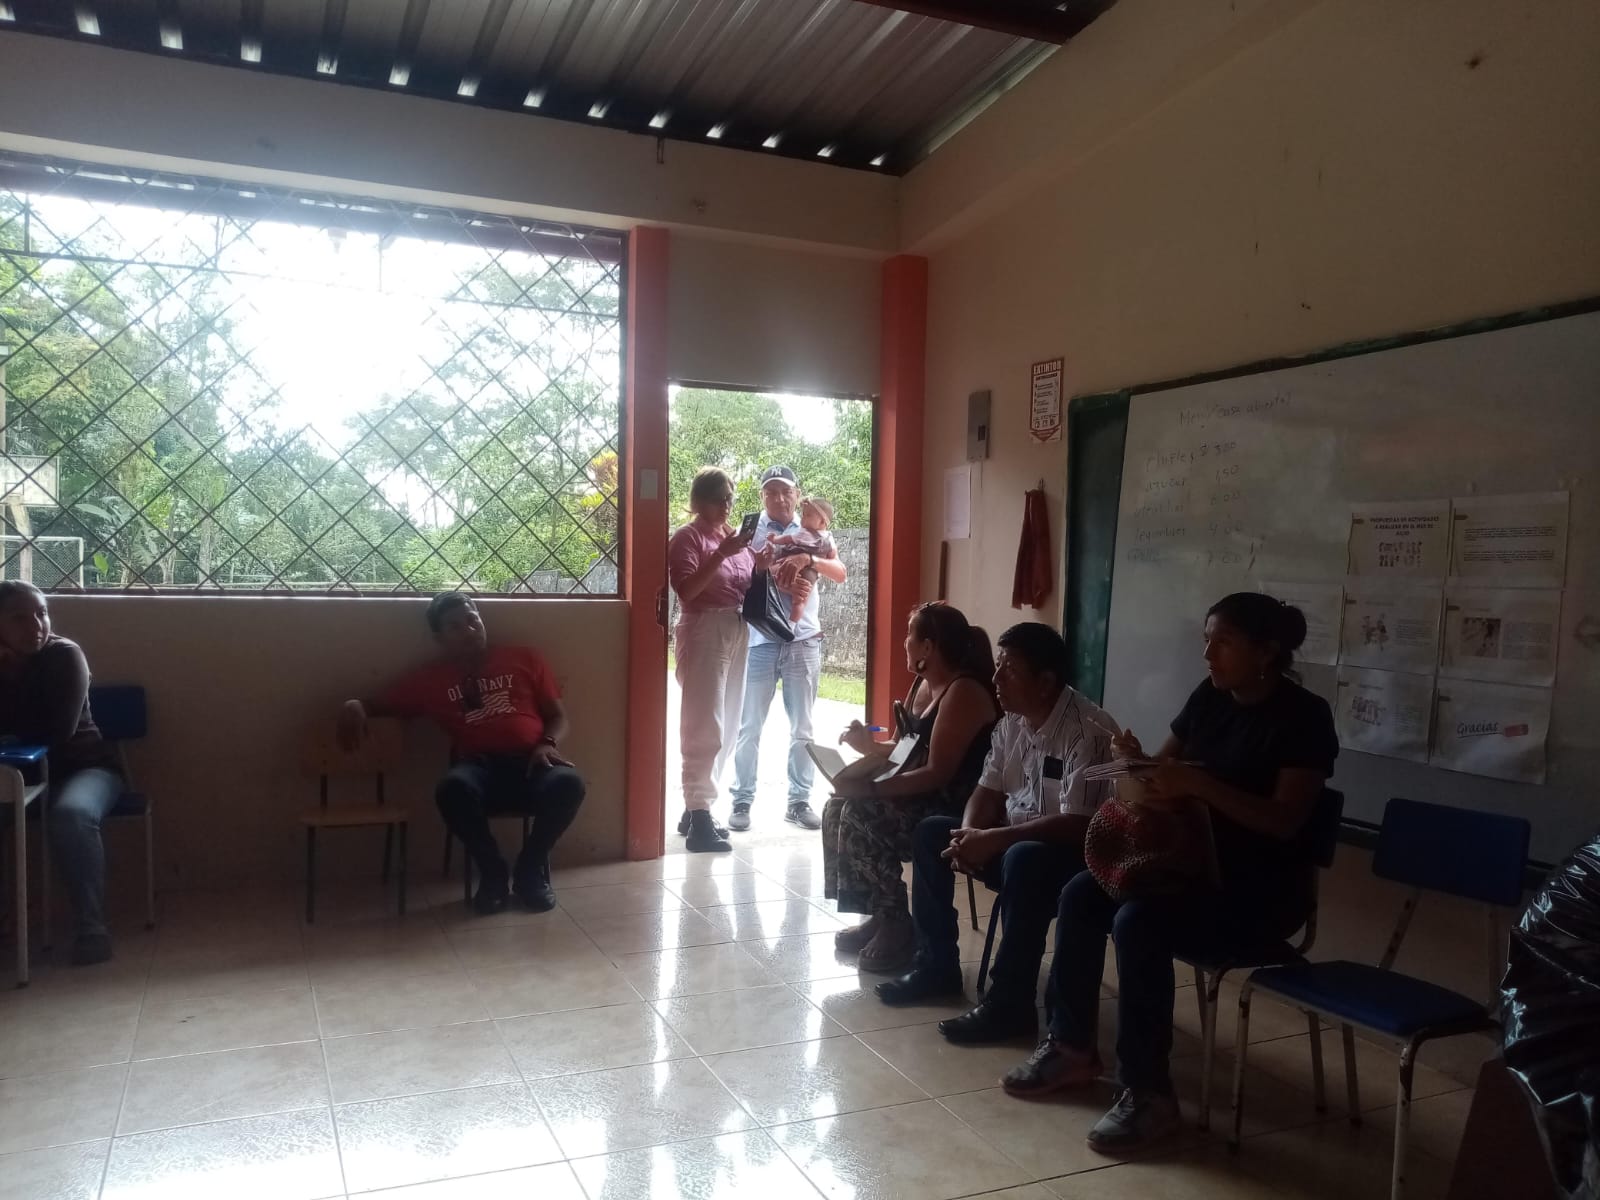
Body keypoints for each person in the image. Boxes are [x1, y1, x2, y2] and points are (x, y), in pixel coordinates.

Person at [1002, 592, 1338, 1155]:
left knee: (1139, 922)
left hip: (1258, 890)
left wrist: (1199, 785)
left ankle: (1149, 1093)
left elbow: (1283, 821)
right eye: (1206, 639)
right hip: (1184, 864)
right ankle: (1071, 1046)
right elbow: (1161, 772)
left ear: (1266, 652)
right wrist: (1137, 763)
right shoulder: (1209, 697)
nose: (1207, 654)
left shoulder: (1304, 717)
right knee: (1083, 891)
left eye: (1222, 642)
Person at [876, 621, 1117, 1044]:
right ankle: (936, 966)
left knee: (1024, 859)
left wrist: (996, 840)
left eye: (1010, 669)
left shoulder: (1089, 731)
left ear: (1045, 682)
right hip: (1013, 840)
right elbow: (986, 790)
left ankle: (1010, 1004)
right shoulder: (1012, 723)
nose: (997, 678)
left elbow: (1079, 825)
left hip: (1072, 854)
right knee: (933, 833)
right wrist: (969, 834)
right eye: (998, 665)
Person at [338, 591, 585, 915]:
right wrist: (353, 705)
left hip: (531, 764)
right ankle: (493, 875)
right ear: (439, 637)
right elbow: (376, 705)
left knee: (569, 784)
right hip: (479, 770)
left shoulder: (525, 658)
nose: (469, 629)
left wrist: (547, 744)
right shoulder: (429, 680)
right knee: (451, 789)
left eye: (472, 619)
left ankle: (530, 871)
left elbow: (558, 716)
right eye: (455, 626)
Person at [823, 603, 1000, 972]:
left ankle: (897, 924)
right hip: (922, 792)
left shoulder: (963, 691)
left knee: (861, 813)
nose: (904, 642)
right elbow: (905, 749)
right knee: (836, 807)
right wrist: (869, 747)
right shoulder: (923, 682)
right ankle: (881, 910)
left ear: (928, 647)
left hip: (956, 804)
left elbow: (937, 773)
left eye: (909, 635)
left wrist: (871, 791)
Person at [0, 581, 123, 965]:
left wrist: (12, 680)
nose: (35, 625)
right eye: (19, 618)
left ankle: (92, 930)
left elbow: (57, 730)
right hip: (17, 777)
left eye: (41, 614)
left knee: (71, 816)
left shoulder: (65, 656)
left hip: (85, 769)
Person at [727, 465, 847, 833]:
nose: (779, 498)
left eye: (786, 491)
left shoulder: (816, 529)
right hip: (760, 639)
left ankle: (799, 801)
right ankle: (741, 799)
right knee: (749, 726)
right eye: (771, 492)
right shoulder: (750, 531)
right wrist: (768, 569)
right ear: (761, 496)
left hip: (803, 640)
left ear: (797, 494)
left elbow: (840, 572)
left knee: (803, 728)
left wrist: (808, 560)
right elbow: (734, 578)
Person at [667, 467, 755, 853]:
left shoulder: (730, 536)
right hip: (704, 627)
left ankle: (697, 807)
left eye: (730, 498)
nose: (727, 505)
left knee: (729, 720)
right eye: (720, 498)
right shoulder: (688, 538)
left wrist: (761, 562)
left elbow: (746, 583)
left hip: (736, 626)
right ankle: (699, 815)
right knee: (704, 723)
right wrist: (721, 554)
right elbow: (686, 589)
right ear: (699, 501)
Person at [768, 497, 836, 624]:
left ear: (822, 522)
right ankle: (792, 623)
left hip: (803, 570)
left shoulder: (803, 533)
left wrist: (774, 539)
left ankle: (792, 624)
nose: (803, 518)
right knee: (800, 600)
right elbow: (832, 556)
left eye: (808, 515)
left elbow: (786, 539)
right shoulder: (829, 538)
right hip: (809, 573)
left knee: (800, 596)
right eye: (803, 514)